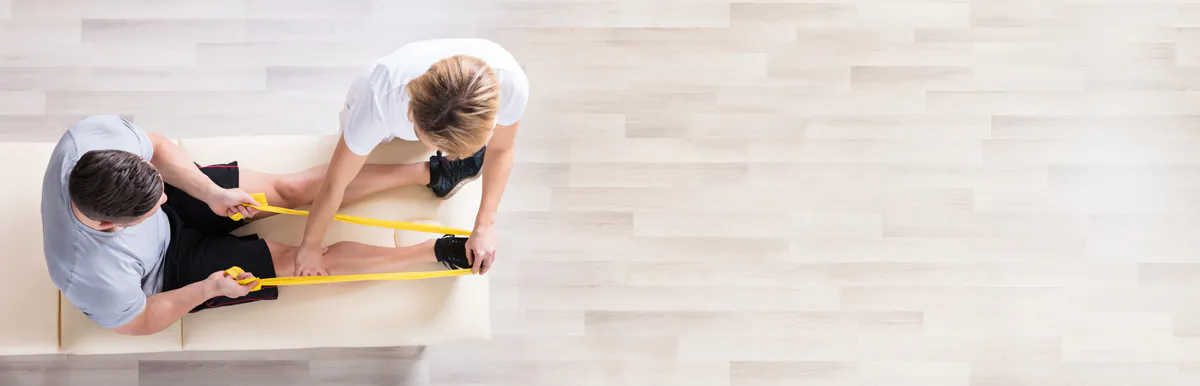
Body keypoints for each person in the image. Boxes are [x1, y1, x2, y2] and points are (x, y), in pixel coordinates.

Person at [41, 115, 474, 335]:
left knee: (290, 190)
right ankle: (437, 252)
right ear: (107, 225)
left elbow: (154, 147)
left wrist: (211, 193)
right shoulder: (90, 275)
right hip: (166, 270)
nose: (166, 201)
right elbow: (138, 321)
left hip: (172, 204)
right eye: (154, 206)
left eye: (160, 192)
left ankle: (432, 173)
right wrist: (209, 289)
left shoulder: (93, 140)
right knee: (303, 263)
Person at [296, 38, 529, 278]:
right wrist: (309, 246)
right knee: (343, 170)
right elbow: (336, 182)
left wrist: (485, 224)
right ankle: (436, 172)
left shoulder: (510, 84)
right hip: (379, 107)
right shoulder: (376, 105)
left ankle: (438, 172)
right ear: (411, 114)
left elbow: (501, 149)